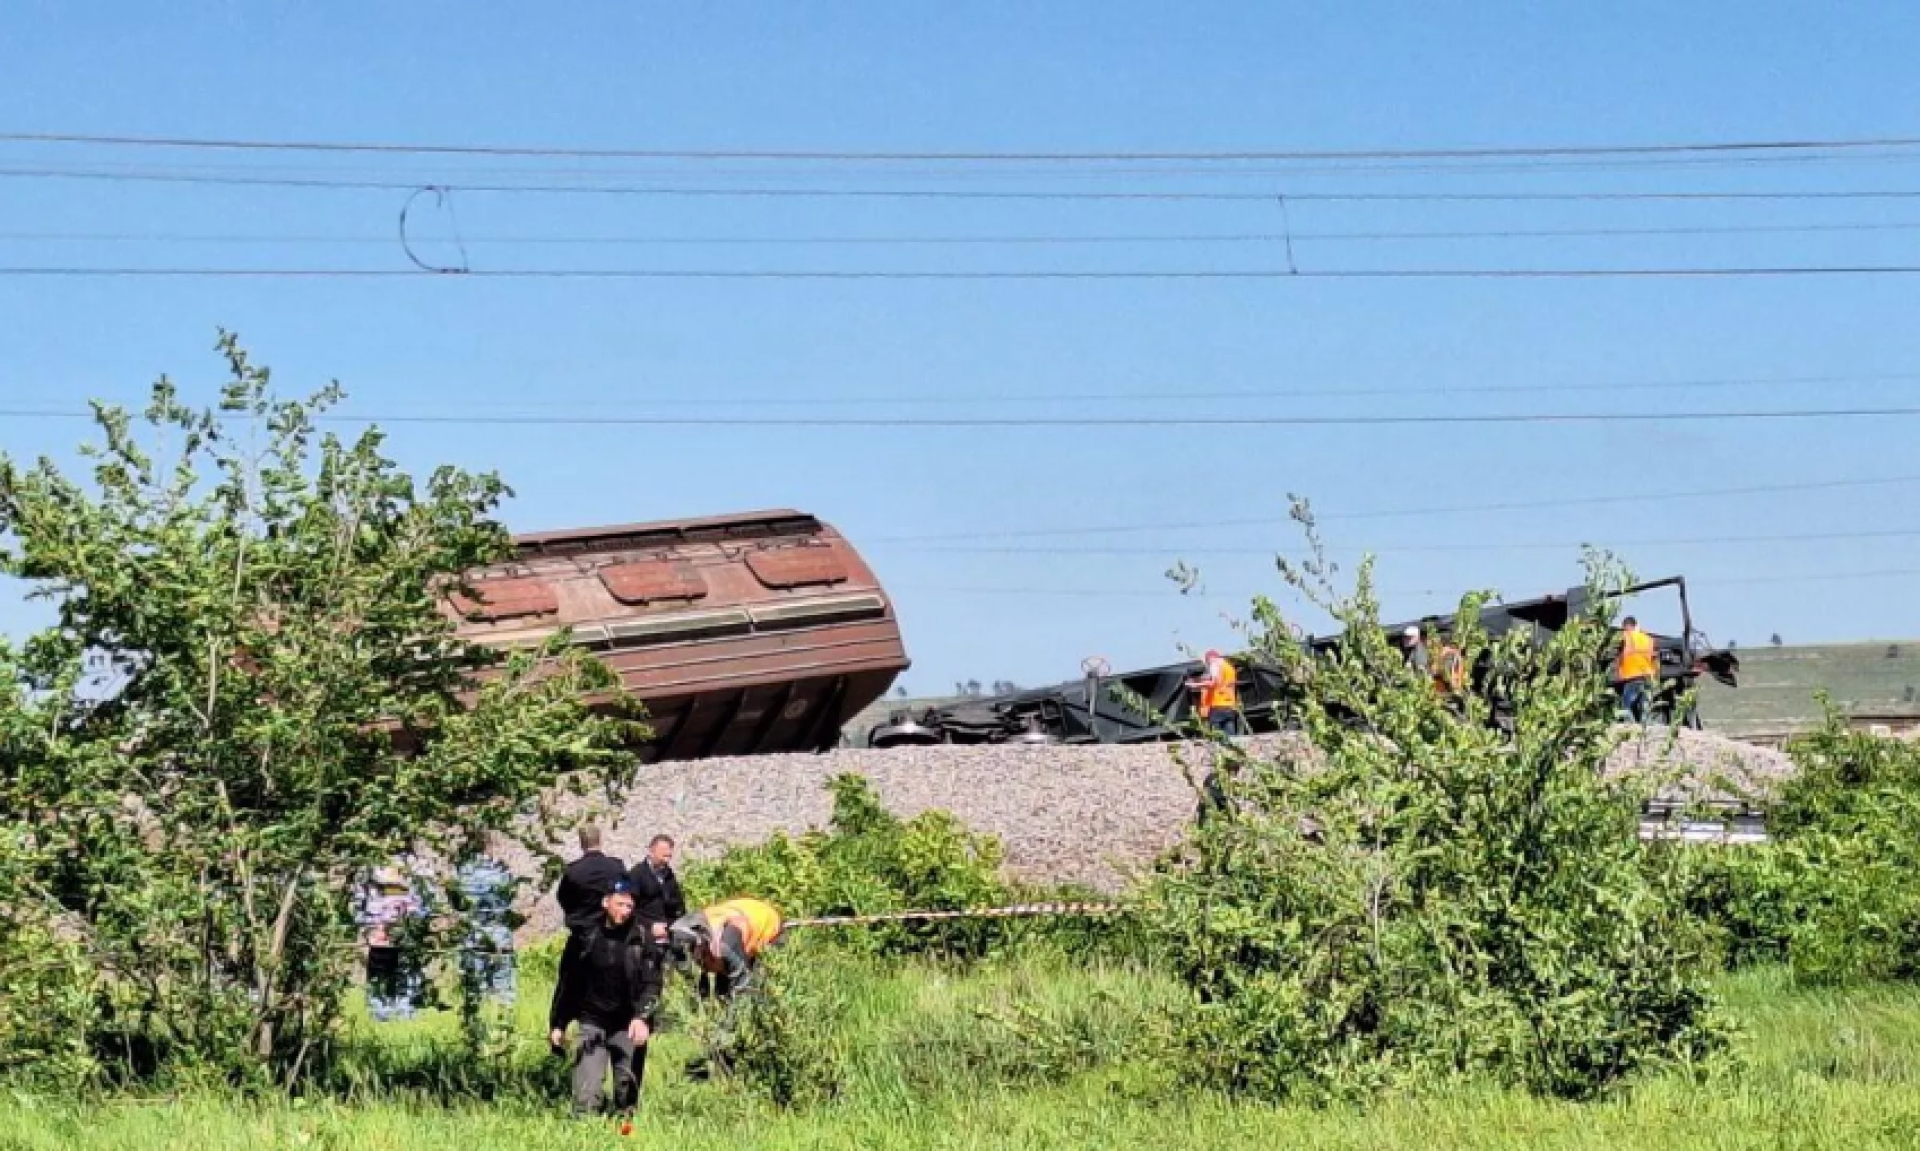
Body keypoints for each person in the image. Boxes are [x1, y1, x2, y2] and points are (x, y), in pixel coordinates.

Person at [548, 878, 663, 1119]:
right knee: (586, 1096)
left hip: (628, 1023)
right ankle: (585, 1139)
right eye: (619, 904)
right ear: (605, 902)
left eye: (629, 907)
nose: (624, 911)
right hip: (592, 1020)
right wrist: (558, 1023)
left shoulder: (643, 937)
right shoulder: (584, 937)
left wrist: (643, 1017)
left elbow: (653, 984)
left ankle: (625, 1136)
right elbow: (568, 982)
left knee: (626, 1094)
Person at [668, 896, 785, 1002]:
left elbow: (742, 983)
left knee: (758, 987)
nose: (693, 958)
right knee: (719, 989)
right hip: (742, 909)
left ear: (700, 945)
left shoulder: (726, 945)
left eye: (691, 951)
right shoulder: (697, 928)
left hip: (767, 923)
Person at [556, 824, 628, 932]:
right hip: (612, 930)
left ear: (581, 843)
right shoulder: (617, 867)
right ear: (600, 841)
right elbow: (626, 894)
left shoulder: (573, 871)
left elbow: (563, 898)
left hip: (582, 931)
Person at [628, 834, 686, 946]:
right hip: (645, 938)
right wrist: (649, 926)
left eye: (669, 856)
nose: (667, 860)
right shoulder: (636, 875)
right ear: (651, 852)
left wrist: (675, 925)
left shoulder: (668, 875)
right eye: (664, 856)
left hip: (669, 935)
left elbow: (679, 905)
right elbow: (629, 910)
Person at [1185, 649, 1243, 736]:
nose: (1207, 664)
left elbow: (1214, 682)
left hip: (1218, 704)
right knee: (1230, 734)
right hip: (1230, 704)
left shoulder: (1215, 665)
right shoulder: (1229, 667)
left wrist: (1195, 685)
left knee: (1216, 734)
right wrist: (1200, 680)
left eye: (1207, 661)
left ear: (1210, 658)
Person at [1615, 615, 1659, 722]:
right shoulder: (1648, 638)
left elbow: (1619, 652)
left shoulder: (1626, 636)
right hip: (1648, 676)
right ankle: (1646, 730)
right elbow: (1654, 657)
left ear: (1627, 626)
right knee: (1645, 707)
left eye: (1624, 628)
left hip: (1633, 676)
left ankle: (1631, 727)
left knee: (1625, 705)